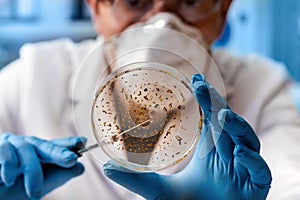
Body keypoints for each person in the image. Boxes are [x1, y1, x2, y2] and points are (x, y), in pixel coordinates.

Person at [0, 0, 299, 199]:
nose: (163, 24)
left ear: (223, 12)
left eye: (190, 0)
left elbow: (291, 183)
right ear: (95, 8)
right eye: (134, 0)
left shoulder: (262, 86)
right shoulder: (32, 78)